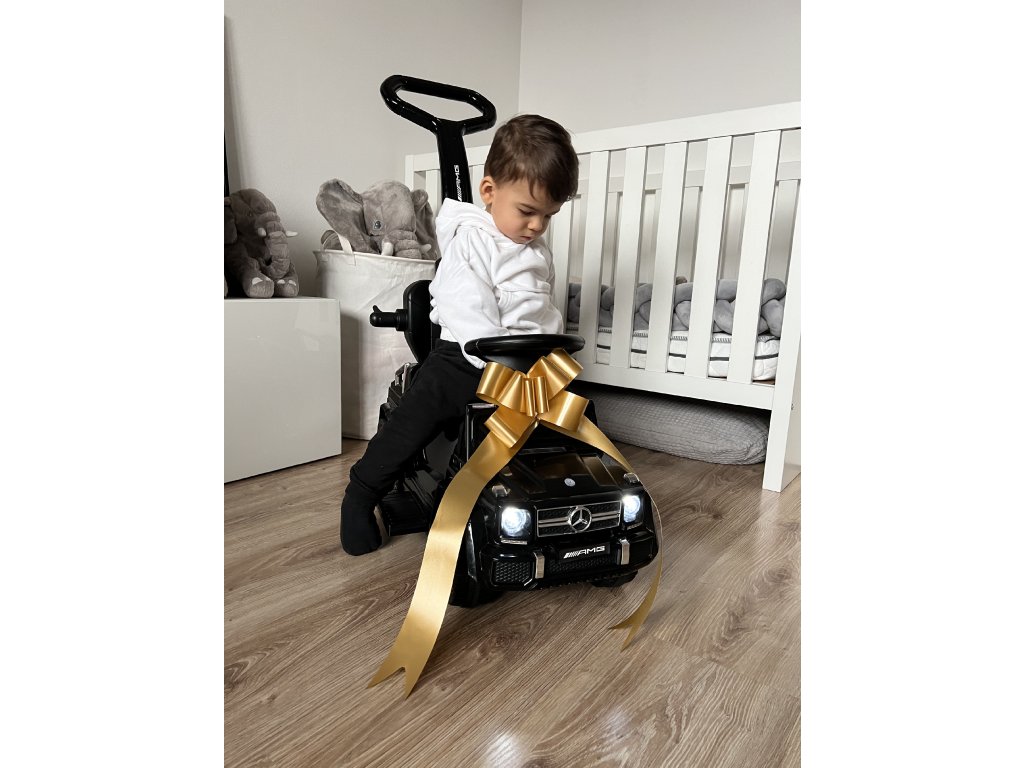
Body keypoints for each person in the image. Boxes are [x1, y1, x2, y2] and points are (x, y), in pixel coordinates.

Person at [340, 114, 579, 556]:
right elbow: (467, 310)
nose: (537, 226)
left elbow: (542, 312)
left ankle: (565, 499)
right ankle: (362, 492)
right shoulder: (469, 242)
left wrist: (550, 353)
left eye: (549, 216)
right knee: (421, 410)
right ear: (489, 191)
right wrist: (501, 366)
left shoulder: (536, 250)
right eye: (527, 212)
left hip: (527, 363)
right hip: (468, 357)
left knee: (572, 415)